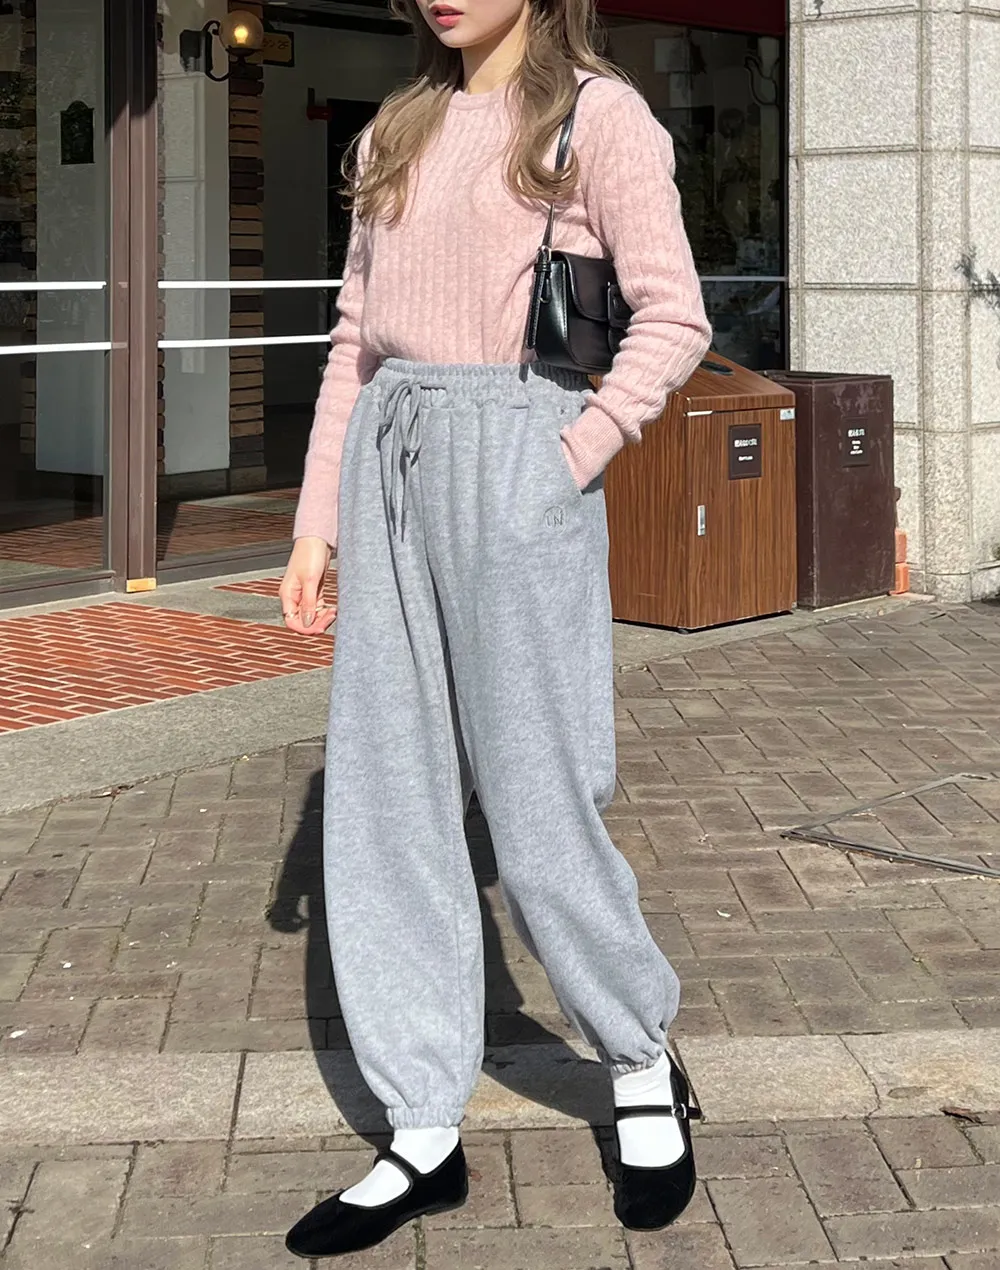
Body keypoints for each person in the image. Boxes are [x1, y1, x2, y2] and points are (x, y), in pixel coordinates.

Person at [278, 0, 711, 1255]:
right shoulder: (395, 131)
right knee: (387, 797)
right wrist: (316, 520)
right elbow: (354, 340)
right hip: (390, 457)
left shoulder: (595, 116)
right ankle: (421, 1125)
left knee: (539, 797)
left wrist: (567, 453)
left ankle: (636, 1056)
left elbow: (673, 315)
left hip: (519, 456)